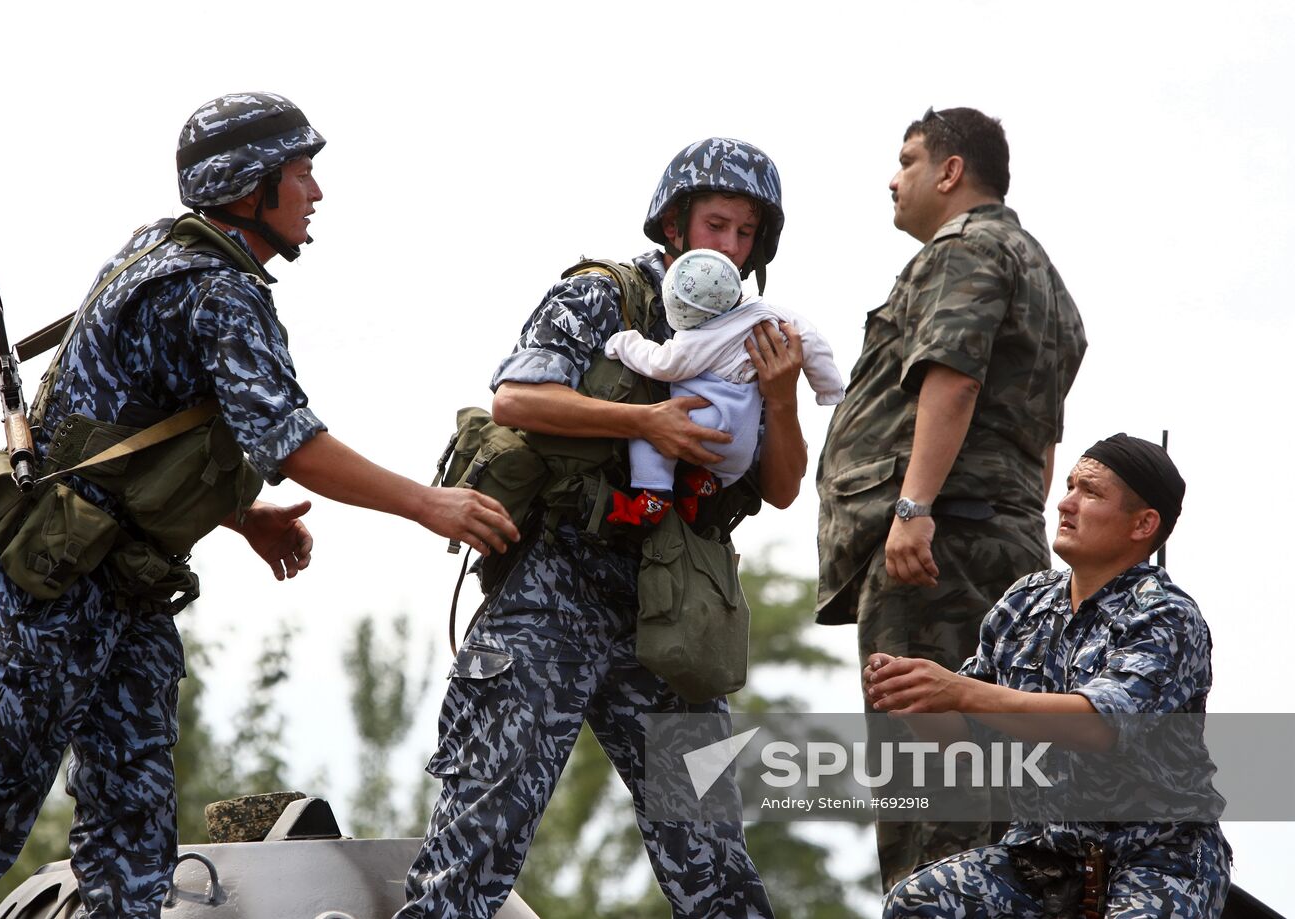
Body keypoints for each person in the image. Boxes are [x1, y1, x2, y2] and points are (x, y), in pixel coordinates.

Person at [0, 92, 517, 919]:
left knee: (132, 825)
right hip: (54, 587)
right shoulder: (213, 290)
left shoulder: (164, 251)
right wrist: (428, 504)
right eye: (302, 173)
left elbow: (128, 435)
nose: (316, 193)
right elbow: (294, 444)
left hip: (120, 582)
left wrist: (241, 514)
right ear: (249, 185)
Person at [394, 138, 807, 919]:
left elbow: (782, 488)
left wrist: (780, 397)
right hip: (556, 586)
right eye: (717, 224)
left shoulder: (757, 331)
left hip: (668, 610)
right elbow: (518, 397)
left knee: (718, 864)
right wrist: (646, 419)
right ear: (674, 224)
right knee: (476, 848)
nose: (731, 246)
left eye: (747, 234)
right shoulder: (605, 296)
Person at [815, 106, 1088, 888]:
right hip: (1003, 543)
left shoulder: (965, 250)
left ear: (950, 171)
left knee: (930, 796)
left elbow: (955, 374)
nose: (893, 178)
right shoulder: (1046, 280)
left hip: (936, 549)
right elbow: (1041, 443)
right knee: (995, 787)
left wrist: (913, 508)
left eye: (908, 159)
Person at [868, 434, 1231, 918]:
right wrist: (914, 699)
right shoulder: (1026, 602)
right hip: (1044, 860)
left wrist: (959, 690)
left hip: (1156, 858)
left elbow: (1097, 725)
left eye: (1091, 493)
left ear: (1143, 524)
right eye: (1069, 487)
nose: (1065, 503)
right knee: (918, 902)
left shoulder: (1164, 616)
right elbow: (968, 741)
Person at [603, 247, 844, 525]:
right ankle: (704, 482)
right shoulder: (770, 313)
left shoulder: (699, 338)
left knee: (647, 431)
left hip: (704, 425)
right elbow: (812, 342)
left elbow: (662, 363)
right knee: (724, 466)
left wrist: (624, 342)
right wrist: (829, 389)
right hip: (741, 446)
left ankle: (654, 494)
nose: (731, 244)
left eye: (744, 233)